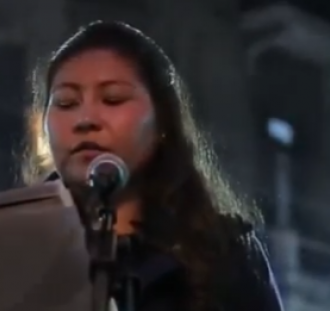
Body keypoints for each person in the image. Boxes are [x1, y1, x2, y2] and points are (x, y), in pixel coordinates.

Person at [21, 21, 284, 311]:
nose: (86, 120)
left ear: (163, 121)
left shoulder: (225, 256)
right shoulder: (10, 249)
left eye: (113, 99)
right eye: (67, 103)